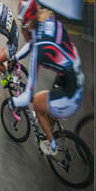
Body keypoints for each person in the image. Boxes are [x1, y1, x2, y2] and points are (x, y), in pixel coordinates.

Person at [10, 17, 83, 154]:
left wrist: (14, 101)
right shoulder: (47, 23)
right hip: (74, 73)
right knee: (50, 95)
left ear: (26, 32)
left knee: (37, 103)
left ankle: (52, 145)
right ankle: (51, 120)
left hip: (71, 89)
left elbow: (27, 95)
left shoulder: (38, 50)